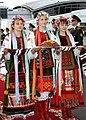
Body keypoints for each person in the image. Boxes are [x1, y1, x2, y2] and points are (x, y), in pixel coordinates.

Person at [28, 11, 60, 120]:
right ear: (38, 21)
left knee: (48, 89)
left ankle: (46, 111)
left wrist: (57, 49)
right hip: (37, 64)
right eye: (42, 19)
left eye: (46, 19)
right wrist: (35, 49)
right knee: (40, 89)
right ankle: (41, 113)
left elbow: (55, 46)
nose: (44, 22)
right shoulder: (33, 33)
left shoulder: (50, 33)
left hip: (49, 64)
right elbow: (30, 49)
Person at [51, 16, 84, 120]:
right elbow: (53, 52)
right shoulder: (54, 37)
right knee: (63, 87)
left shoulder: (70, 35)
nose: (64, 27)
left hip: (71, 64)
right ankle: (63, 110)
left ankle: (69, 109)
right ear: (58, 25)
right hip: (61, 65)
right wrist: (56, 51)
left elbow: (74, 50)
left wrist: (77, 49)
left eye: (65, 25)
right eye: (62, 25)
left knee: (71, 87)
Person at [1, 15, 35, 115]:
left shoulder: (26, 37)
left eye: (21, 24)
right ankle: (13, 109)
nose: (20, 26)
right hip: (13, 68)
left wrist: (32, 51)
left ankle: (25, 108)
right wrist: (6, 52)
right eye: (17, 24)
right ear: (13, 25)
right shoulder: (8, 38)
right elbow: (3, 52)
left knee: (25, 88)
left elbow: (30, 54)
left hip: (25, 68)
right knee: (12, 88)